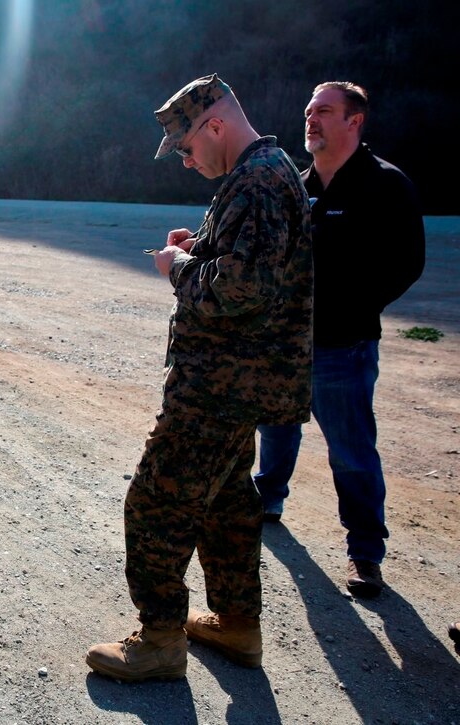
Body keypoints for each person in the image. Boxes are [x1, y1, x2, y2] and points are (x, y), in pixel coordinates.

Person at [85, 74, 313, 682]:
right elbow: (248, 265)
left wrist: (180, 266)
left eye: (185, 149)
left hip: (220, 386)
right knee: (228, 506)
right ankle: (238, 625)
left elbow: (242, 288)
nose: (185, 162)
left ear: (216, 125)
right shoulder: (257, 173)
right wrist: (203, 246)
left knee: (156, 502)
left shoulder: (259, 180)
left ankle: (159, 639)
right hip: (234, 381)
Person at [252, 82, 425, 599]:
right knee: (277, 428)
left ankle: (365, 553)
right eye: (308, 111)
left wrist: (355, 308)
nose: (311, 119)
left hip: (343, 346)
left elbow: (407, 264)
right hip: (287, 342)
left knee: (351, 452)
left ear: (355, 120)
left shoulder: (385, 185)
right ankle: (268, 498)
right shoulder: (297, 186)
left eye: (324, 111)